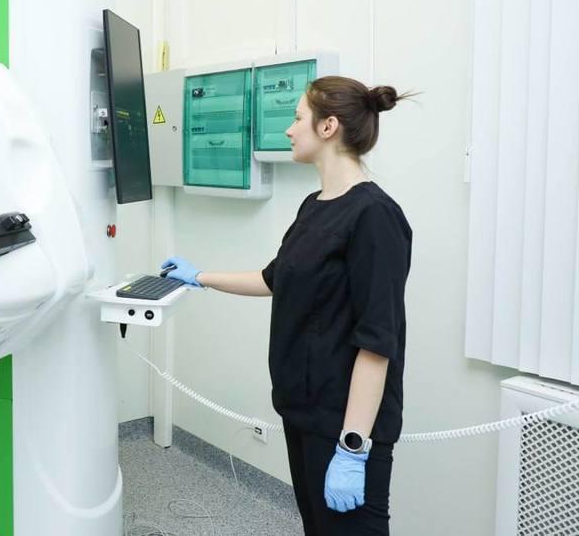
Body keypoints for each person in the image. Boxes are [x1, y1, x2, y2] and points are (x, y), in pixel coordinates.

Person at [163, 76, 413, 536]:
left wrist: (353, 447)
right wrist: (199, 277)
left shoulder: (375, 216)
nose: (289, 130)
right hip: (302, 411)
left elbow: (378, 341)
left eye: (298, 118)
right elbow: (273, 279)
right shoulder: (314, 205)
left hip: (344, 425)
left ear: (328, 127)